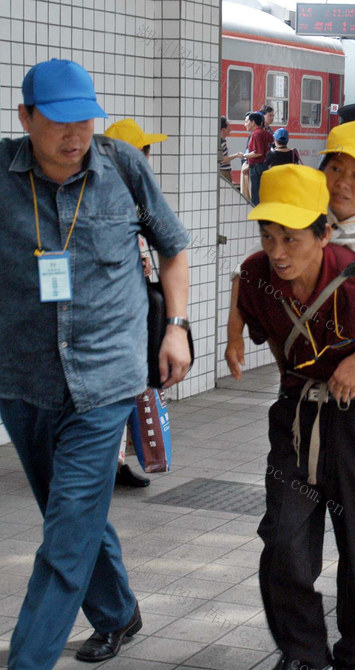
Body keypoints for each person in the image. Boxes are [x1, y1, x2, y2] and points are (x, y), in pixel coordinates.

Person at [0, 58, 191, 667]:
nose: (74, 134)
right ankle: (117, 613)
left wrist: (178, 329)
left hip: (106, 376)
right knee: (71, 515)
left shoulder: (122, 165)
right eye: (58, 121)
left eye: (85, 118)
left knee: (66, 534)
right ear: (25, 117)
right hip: (23, 377)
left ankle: (28, 659)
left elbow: (174, 247)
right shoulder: (1, 174)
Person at [231, 164, 355, 670]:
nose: (278, 252)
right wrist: (233, 335)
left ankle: (354, 657)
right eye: (268, 237)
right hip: (296, 419)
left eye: (291, 238)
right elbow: (243, 287)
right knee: (283, 538)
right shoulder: (259, 273)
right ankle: (304, 653)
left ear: (323, 233)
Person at [104, 117, 172, 489]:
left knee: (125, 393)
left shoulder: (128, 198)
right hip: (119, 321)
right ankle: (107, 466)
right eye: (146, 152)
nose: (150, 160)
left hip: (126, 317)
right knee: (119, 394)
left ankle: (113, 464)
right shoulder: (121, 203)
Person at [242, 110, 272, 205]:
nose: (245, 124)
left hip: (256, 167)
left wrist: (244, 156)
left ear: (253, 122)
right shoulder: (266, 133)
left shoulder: (256, 134)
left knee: (255, 196)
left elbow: (258, 152)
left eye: (247, 122)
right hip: (264, 166)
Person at [218, 116, 240, 181]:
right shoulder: (220, 143)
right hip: (223, 171)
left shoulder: (223, 141)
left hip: (226, 171)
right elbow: (222, 159)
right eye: (229, 127)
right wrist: (236, 155)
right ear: (223, 129)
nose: (230, 129)